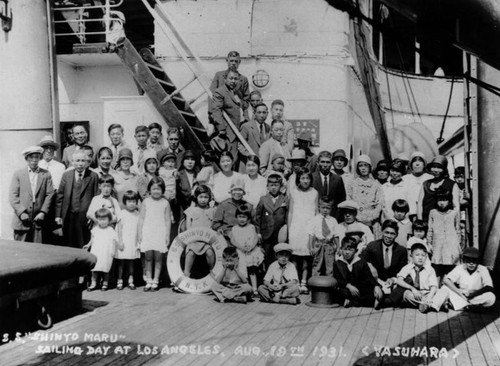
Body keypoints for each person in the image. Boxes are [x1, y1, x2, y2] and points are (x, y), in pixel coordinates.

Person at [9, 146, 54, 243]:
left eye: (36, 157)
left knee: (37, 250)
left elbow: (50, 194)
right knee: (21, 250)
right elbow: (13, 195)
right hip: (22, 220)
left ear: (40, 158)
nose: (34, 160)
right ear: (26, 159)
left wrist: (43, 212)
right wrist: (21, 212)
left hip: (39, 220)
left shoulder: (46, 174)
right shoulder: (19, 174)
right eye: (31, 157)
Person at [56, 150, 99, 248]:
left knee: (83, 242)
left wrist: (94, 216)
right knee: (69, 243)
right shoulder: (66, 175)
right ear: (72, 162)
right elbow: (60, 196)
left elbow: (97, 197)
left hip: (85, 217)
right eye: (77, 161)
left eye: (83, 161)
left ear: (87, 162)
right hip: (69, 216)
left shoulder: (93, 176)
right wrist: (58, 216)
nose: (80, 164)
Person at [138, 177, 172, 291]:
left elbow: (167, 220)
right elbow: (141, 218)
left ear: (162, 190)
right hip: (148, 231)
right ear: (149, 190)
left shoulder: (165, 203)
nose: (156, 191)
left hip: (159, 232)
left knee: (158, 257)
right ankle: (148, 280)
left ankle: (156, 280)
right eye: (153, 189)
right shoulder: (146, 201)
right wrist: (140, 233)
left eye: (159, 189)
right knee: (148, 257)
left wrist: (167, 235)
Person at [361, 220, 407, 302]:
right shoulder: (372, 246)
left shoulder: (401, 250)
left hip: (392, 283)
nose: (389, 236)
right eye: (386, 232)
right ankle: (387, 298)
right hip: (376, 280)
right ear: (382, 232)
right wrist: (370, 266)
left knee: (407, 281)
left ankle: (384, 300)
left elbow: (403, 271)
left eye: (392, 234)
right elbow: (361, 262)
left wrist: (393, 279)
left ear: (396, 235)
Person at [288, 168, 318, 294]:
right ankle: (295, 281)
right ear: (298, 179)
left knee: (306, 256)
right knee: (295, 257)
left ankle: (304, 282)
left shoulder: (314, 192)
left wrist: (315, 229)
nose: (305, 181)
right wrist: (290, 229)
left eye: (307, 178)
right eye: (302, 178)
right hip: (296, 227)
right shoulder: (294, 192)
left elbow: (316, 211)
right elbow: (290, 211)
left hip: (308, 227)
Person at [333, 236, 383, 308]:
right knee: (335, 292)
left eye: (350, 250)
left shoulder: (361, 262)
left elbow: (369, 277)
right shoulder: (337, 263)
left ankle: (352, 301)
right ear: (341, 249)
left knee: (373, 291)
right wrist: (348, 286)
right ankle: (357, 301)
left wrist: (376, 286)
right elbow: (337, 279)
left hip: (358, 289)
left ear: (356, 251)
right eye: (345, 249)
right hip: (345, 288)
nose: (347, 252)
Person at [211, 70, 248, 162]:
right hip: (228, 133)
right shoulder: (220, 92)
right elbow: (216, 110)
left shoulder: (238, 93)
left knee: (236, 160)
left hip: (238, 132)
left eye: (236, 79)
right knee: (228, 160)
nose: (233, 81)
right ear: (225, 79)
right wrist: (221, 129)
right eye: (231, 78)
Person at [181, 185, 216, 279]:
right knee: (191, 252)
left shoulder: (212, 211)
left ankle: (212, 273)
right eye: (201, 197)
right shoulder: (191, 210)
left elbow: (213, 226)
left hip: (207, 242)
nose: (203, 200)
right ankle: (186, 274)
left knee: (210, 252)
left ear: (210, 198)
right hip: (193, 241)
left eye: (206, 197)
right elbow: (188, 228)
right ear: (196, 197)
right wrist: (191, 239)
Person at [229, 204, 263, 295]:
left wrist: (251, 247)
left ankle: (255, 288)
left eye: (244, 217)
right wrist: (241, 247)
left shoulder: (251, 227)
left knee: (252, 269)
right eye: (240, 217)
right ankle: (245, 287)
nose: (242, 219)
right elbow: (233, 240)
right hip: (240, 251)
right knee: (241, 268)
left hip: (251, 251)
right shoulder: (235, 228)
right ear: (236, 217)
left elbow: (255, 238)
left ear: (248, 218)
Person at [255, 174, 289, 268]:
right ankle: (264, 276)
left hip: (279, 234)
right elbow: (258, 217)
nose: (274, 188)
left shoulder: (284, 198)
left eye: (276, 185)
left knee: (277, 255)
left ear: (281, 187)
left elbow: (287, 215)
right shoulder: (263, 199)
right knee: (265, 256)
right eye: (271, 185)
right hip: (266, 233)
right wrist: (258, 232)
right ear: (267, 186)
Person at [393, 243, 438, 313]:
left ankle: (426, 305)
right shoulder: (408, 267)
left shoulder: (430, 269)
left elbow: (434, 286)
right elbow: (399, 280)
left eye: (423, 255)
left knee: (444, 292)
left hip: (427, 293)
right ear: (411, 256)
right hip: (414, 293)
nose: (420, 258)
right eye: (417, 255)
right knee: (407, 295)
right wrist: (412, 289)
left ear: (426, 257)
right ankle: (435, 305)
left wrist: (430, 296)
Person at [428, 191, 461, 282]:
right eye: (439, 200)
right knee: (437, 267)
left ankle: (449, 287)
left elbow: (458, 229)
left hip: (451, 244)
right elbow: (430, 229)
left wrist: (458, 243)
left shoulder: (454, 213)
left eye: (444, 200)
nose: (442, 203)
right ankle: (436, 288)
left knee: (450, 266)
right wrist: (429, 242)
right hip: (438, 244)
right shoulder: (433, 212)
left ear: (449, 202)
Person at [347, 154, 383, 234]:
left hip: (372, 223)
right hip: (356, 221)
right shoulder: (353, 183)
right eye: (360, 165)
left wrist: (371, 218)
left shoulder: (376, 185)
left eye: (366, 165)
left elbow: (379, 203)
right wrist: (357, 217)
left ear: (370, 167)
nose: (363, 168)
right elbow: (349, 201)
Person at [84, 208, 118, 291]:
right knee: (95, 268)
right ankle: (93, 283)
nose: (102, 221)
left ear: (109, 220)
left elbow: (114, 241)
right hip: (97, 251)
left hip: (106, 251)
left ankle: (105, 283)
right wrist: (88, 245)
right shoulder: (95, 229)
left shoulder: (111, 230)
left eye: (104, 219)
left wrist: (113, 250)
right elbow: (92, 239)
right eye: (100, 219)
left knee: (105, 268)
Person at [417, 155, 459, 223]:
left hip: (445, 223)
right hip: (426, 222)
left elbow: (456, 207)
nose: (436, 170)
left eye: (439, 167)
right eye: (433, 167)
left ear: (444, 169)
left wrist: (457, 224)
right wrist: (420, 221)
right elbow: (420, 204)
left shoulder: (452, 184)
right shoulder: (425, 184)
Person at [307, 198, 340, 277]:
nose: (325, 210)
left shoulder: (333, 220)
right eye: (323, 208)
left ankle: (330, 285)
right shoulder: (314, 219)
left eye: (328, 208)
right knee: (317, 264)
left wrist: (338, 247)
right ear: (319, 207)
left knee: (330, 265)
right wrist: (311, 247)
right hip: (318, 244)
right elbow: (311, 234)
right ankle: (315, 284)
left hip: (329, 244)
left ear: (331, 209)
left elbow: (336, 235)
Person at [115, 190, 141, 290]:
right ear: (125, 202)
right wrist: (120, 241)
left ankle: (131, 280)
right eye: (129, 201)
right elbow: (119, 229)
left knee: (131, 261)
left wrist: (139, 242)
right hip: (124, 241)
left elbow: (139, 228)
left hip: (133, 241)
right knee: (121, 262)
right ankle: (120, 280)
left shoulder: (138, 214)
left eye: (134, 201)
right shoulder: (122, 213)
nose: (132, 204)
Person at [311, 151, 346, 220]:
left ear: (331, 163)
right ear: (318, 163)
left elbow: (341, 201)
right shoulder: (312, 178)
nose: (325, 165)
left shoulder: (337, 179)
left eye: (328, 162)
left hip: (332, 218)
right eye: (322, 162)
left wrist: (335, 218)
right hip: (315, 217)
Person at [402, 151, 433, 221]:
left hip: (427, 215)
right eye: (414, 161)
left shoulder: (430, 178)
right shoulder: (405, 179)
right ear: (411, 165)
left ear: (424, 164)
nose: (417, 164)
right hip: (408, 216)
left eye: (420, 161)